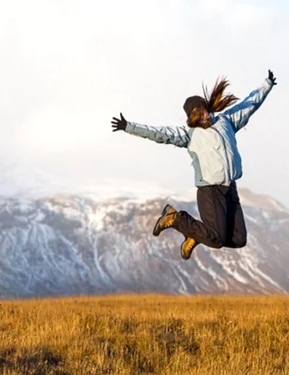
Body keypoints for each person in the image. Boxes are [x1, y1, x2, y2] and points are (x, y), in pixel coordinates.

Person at [111, 70, 277, 260]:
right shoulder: (189, 134)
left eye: (204, 109)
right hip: (210, 190)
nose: (204, 114)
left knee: (239, 239)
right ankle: (176, 219)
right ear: (192, 116)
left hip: (230, 189)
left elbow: (249, 105)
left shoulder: (227, 121)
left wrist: (267, 85)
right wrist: (129, 127)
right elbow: (159, 133)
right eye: (198, 113)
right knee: (215, 239)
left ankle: (195, 233)